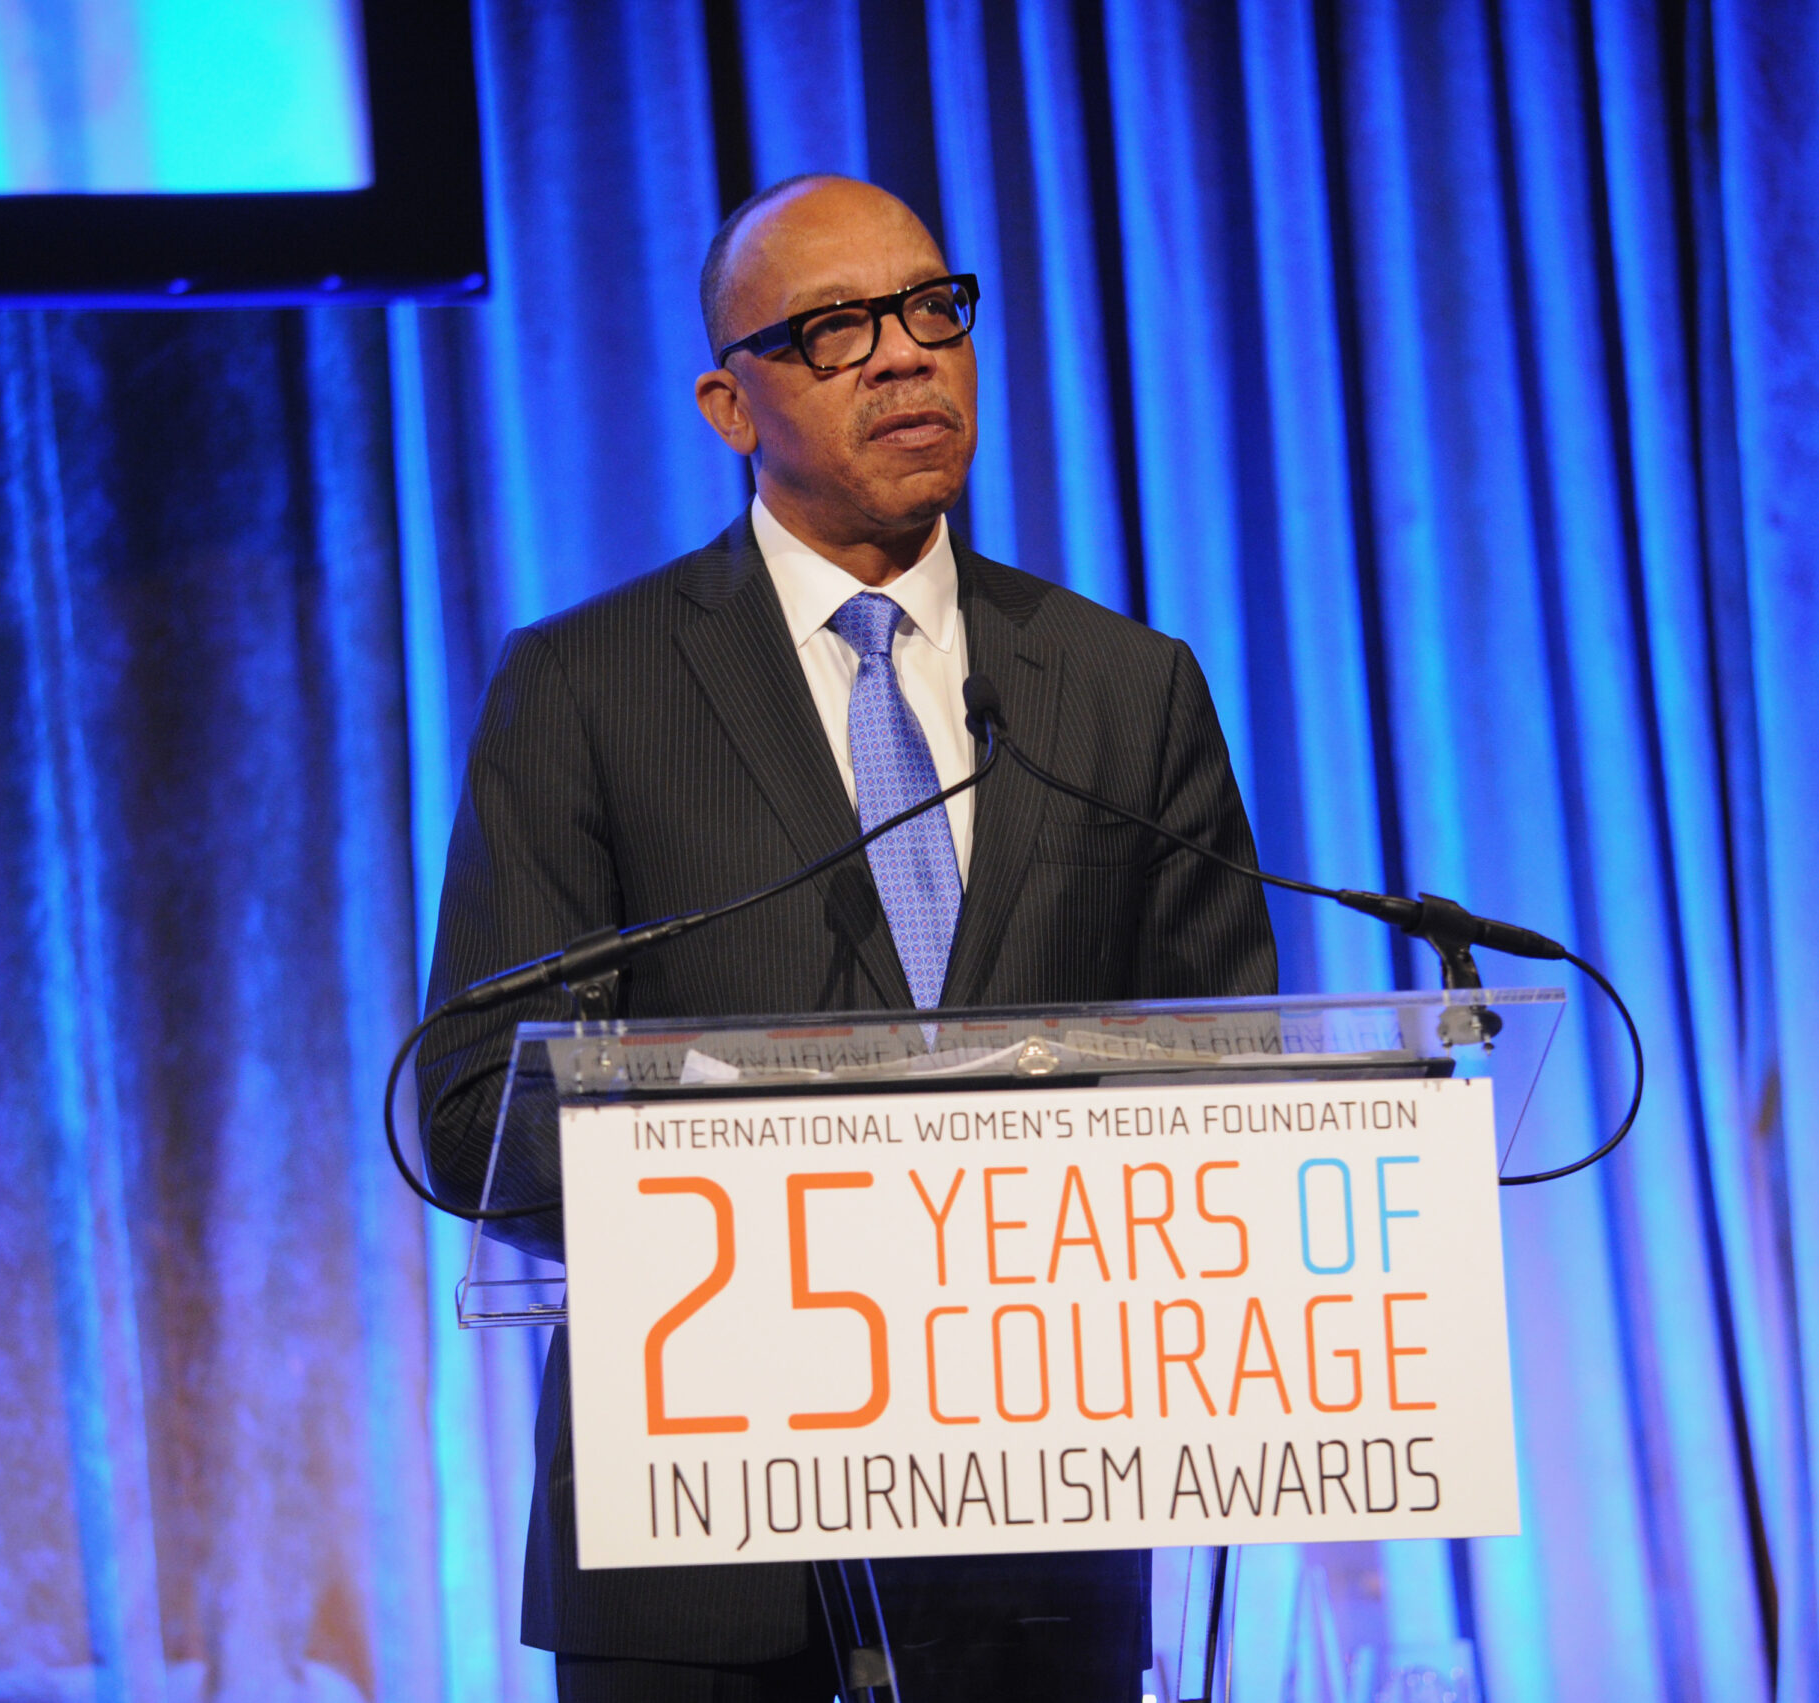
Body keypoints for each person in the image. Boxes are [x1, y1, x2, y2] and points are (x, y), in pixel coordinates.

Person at [422, 174, 1277, 1703]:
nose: (903, 353)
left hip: (1036, 1521)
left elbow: (1230, 1077)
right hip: (697, 1544)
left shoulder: (1122, 688)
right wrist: (810, 1200)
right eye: (834, 328)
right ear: (729, 406)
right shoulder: (586, 688)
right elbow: (480, 1107)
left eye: (933, 308)